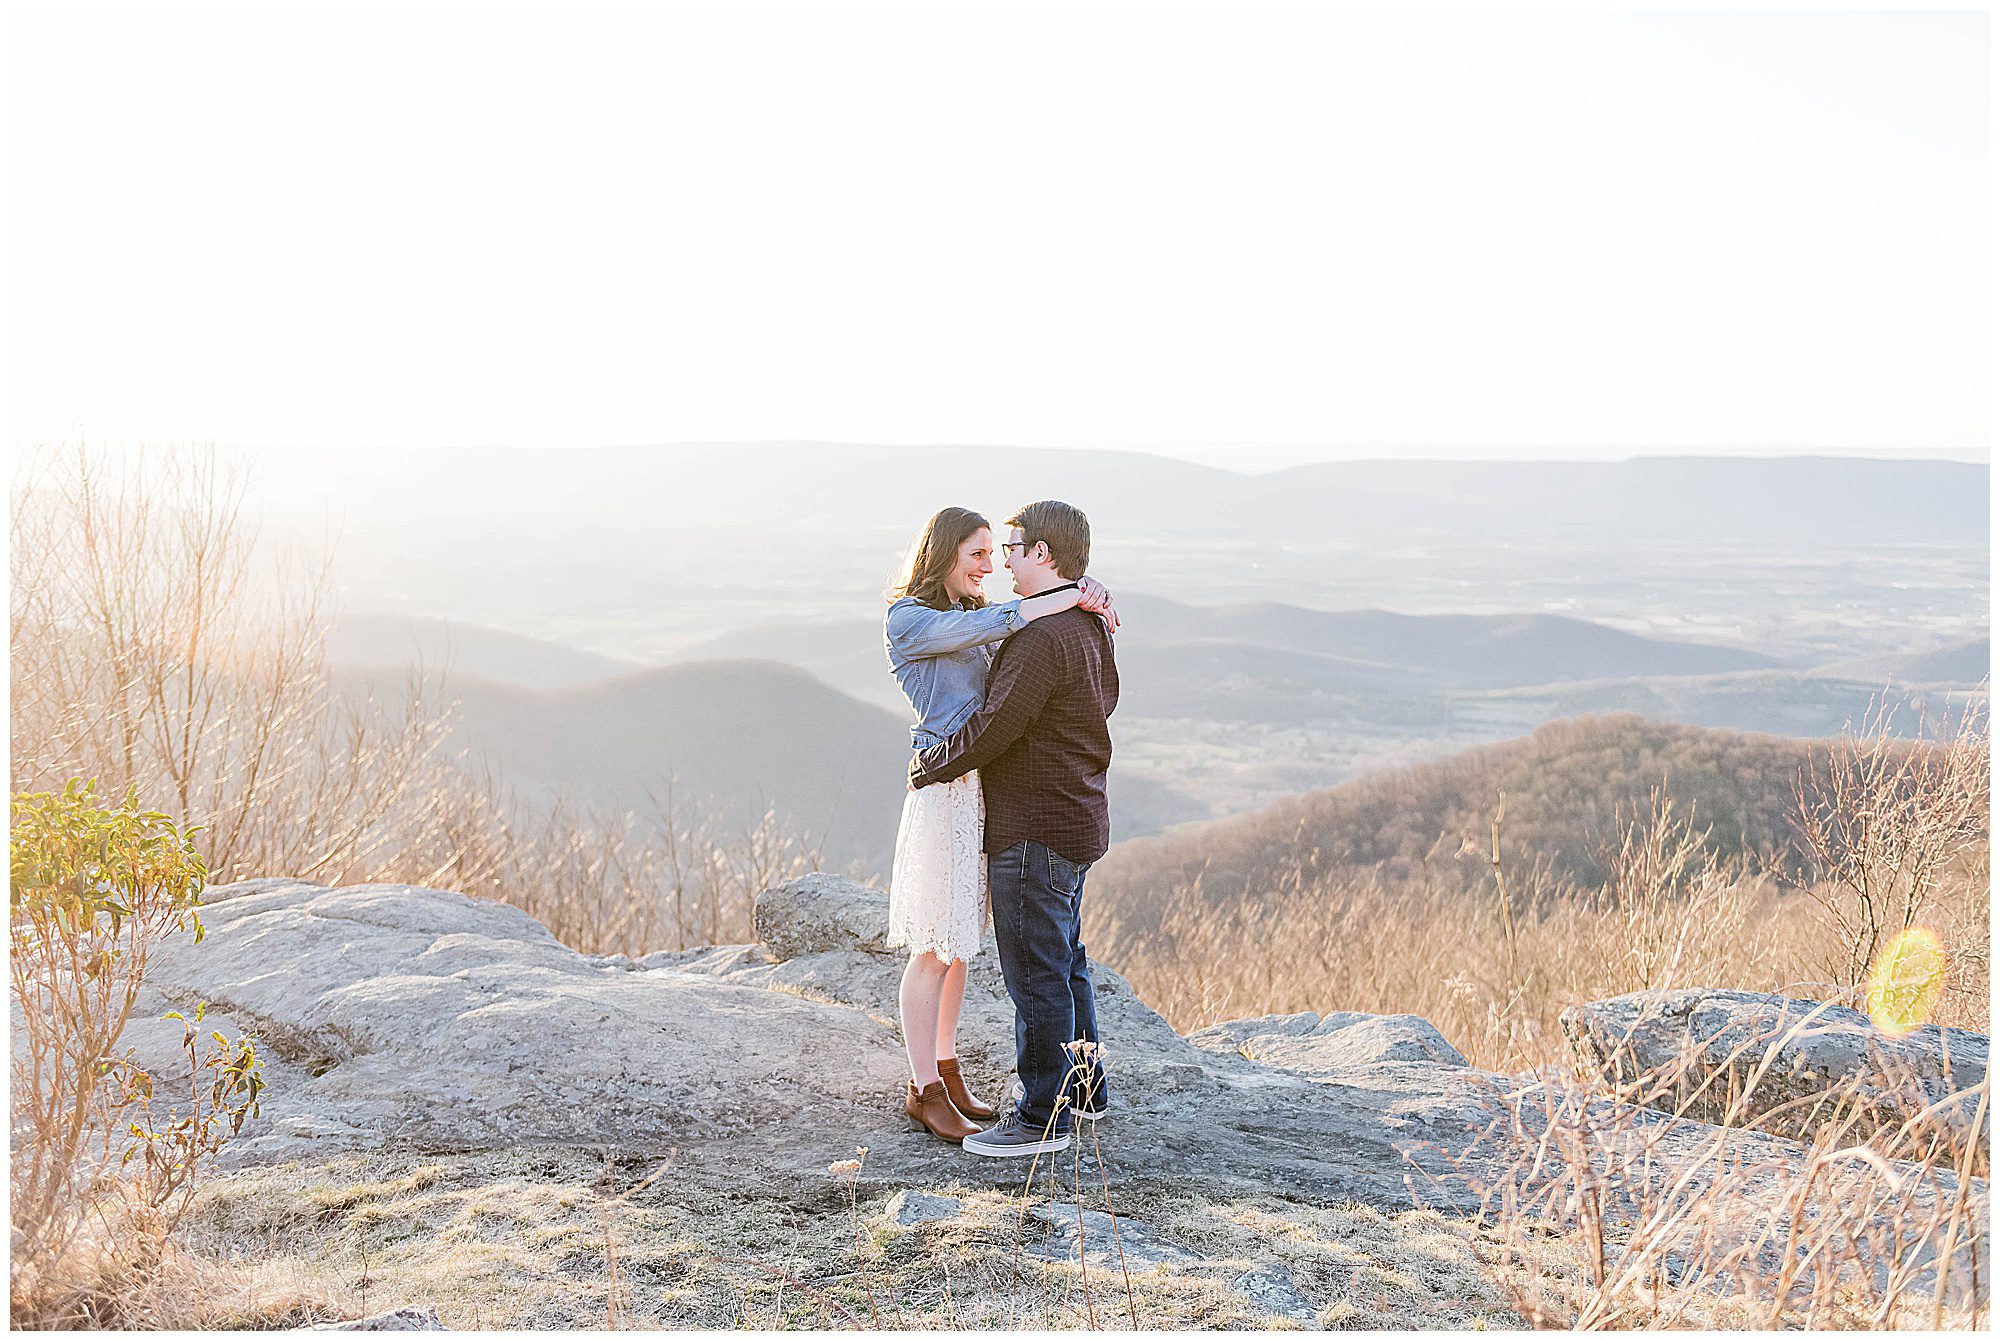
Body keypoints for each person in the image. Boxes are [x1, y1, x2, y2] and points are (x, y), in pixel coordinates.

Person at [883, 506, 1118, 1143]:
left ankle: (991, 1085)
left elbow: (1002, 717)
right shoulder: (916, 619)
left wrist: (1077, 593)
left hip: (988, 792)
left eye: (1001, 552)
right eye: (978, 556)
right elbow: (998, 696)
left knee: (1003, 952)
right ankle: (925, 1084)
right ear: (943, 557)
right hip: (953, 787)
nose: (992, 566)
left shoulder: (1026, 625)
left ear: (1041, 552)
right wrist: (1072, 593)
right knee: (944, 942)